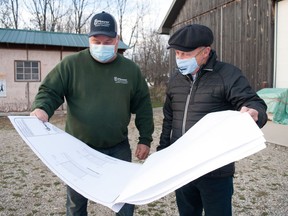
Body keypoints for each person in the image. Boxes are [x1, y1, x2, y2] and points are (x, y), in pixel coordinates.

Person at [30, 11, 154, 216]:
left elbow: (143, 105)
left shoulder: (130, 70)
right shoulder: (72, 65)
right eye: (97, 41)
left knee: (124, 199)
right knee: (76, 203)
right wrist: (42, 109)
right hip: (78, 149)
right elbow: (50, 91)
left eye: (108, 41)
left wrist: (145, 138)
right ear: (89, 39)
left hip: (117, 148)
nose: (102, 46)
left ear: (117, 40)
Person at [157, 24, 267, 216]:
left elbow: (253, 102)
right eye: (177, 54)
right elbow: (169, 118)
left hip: (215, 170)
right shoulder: (176, 78)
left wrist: (255, 113)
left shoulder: (228, 75)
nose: (180, 59)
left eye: (185, 54)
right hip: (181, 166)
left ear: (206, 52)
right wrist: (163, 152)